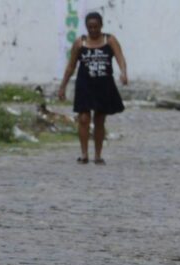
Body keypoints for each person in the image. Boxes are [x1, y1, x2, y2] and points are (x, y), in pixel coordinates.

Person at [58, 11, 127, 164]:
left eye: (96, 27)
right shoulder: (79, 43)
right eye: (90, 27)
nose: (93, 30)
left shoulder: (110, 40)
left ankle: (98, 154)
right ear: (86, 27)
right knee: (83, 119)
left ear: (101, 26)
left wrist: (123, 72)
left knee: (100, 120)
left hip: (104, 85)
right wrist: (62, 86)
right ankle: (84, 154)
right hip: (85, 85)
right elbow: (71, 66)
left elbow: (120, 57)